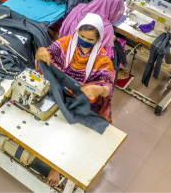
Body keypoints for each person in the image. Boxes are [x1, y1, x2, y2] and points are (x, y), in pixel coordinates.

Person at [36, 13, 115, 186]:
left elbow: (108, 85)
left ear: (98, 39)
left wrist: (98, 89)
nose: (85, 42)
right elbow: (46, 55)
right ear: (77, 32)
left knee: (69, 131)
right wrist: (41, 52)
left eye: (90, 39)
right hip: (59, 93)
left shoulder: (102, 59)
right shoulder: (65, 44)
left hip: (80, 101)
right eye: (82, 36)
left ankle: (57, 166)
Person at [59, 0, 125, 59]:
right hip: (83, 62)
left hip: (64, 48)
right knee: (117, 48)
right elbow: (105, 55)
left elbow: (65, 26)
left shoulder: (79, 8)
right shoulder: (107, 28)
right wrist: (111, 40)